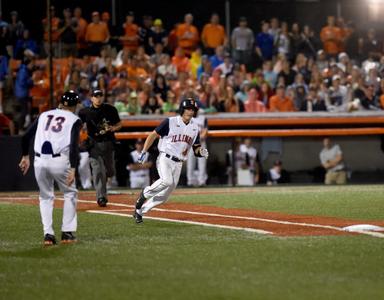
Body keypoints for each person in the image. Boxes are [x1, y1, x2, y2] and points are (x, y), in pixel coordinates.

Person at [18, 91, 82, 246]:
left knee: (45, 197)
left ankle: (48, 235)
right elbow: (73, 146)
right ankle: (67, 233)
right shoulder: (74, 119)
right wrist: (73, 168)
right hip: (59, 160)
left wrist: (25, 156)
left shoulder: (43, 115)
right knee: (70, 193)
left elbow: (25, 136)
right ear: (75, 105)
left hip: (39, 160)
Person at [132, 98, 209, 223]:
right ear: (182, 109)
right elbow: (153, 135)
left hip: (178, 163)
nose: (191, 111)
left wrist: (201, 152)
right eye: (188, 109)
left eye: (193, 109)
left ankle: (140, 211)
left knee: (165, 196)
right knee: (166, 181)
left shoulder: (195, 128)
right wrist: (144, 151)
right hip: (165, 158)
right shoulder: (170, 121)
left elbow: (196, 148)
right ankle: (145, 193)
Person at [79, 89, 122, 207]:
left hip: (108, 143)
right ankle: (101, 197)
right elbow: (79, 125)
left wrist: (113, 128)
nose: (98, 98)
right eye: (95, 96)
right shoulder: (84, 112)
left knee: (110, 170)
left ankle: (105, 180)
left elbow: (119, 124)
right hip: (94, 145)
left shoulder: (110, 109)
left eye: (100, 96)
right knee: (98, 171)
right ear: (91, 98)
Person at [187, 109, 208, 187]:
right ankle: (190, 181)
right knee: (190, 163)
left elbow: (205, 129)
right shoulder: (188, 117)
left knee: (202, 163)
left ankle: (202, 181)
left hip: (201, 142)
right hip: (191, 143)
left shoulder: (203, 117)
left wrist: (200, 137)